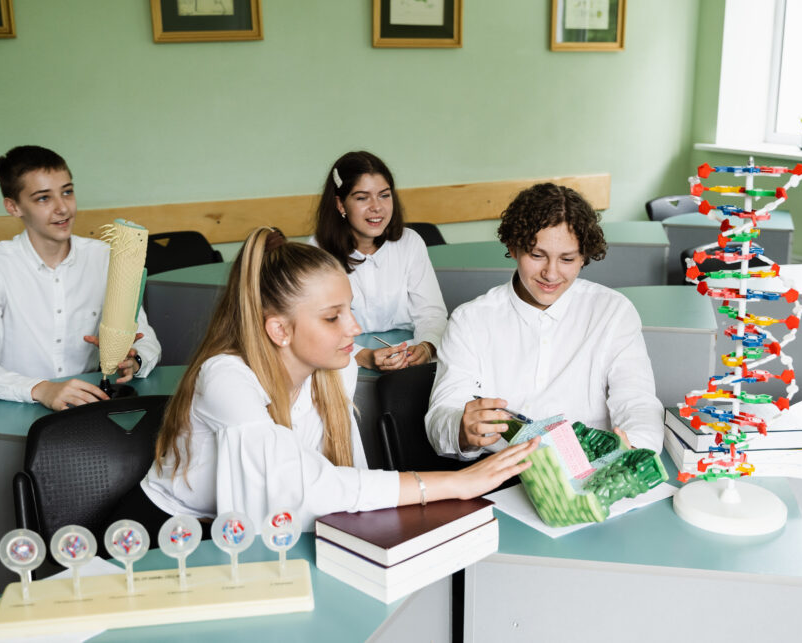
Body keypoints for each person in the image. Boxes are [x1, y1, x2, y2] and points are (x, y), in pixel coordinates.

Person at [118, 228, 536, 538]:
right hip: (167, 537)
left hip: (251, 538)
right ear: (279, 330)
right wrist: (457, 483)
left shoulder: (337, 368)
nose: (355, 327)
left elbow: (347, 475)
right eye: (333, 316)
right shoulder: (225, 377)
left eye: (350, 309)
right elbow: (299, 488)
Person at [425, 183, 664, 460]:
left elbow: (637, 401)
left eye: (567, 259)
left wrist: (635, 450)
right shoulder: (470, 320)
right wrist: (462, 431)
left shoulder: (613, 312)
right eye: (537, 255)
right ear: (513, 248)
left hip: (593, 468)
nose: (551, 274)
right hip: (501, 472)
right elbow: (441, 415)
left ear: (584, 256)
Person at [0, 145, 161, 410]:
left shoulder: (104, 258)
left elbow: (147, 341)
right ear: (13, 207)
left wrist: (135, 360)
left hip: (88, 408)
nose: (62, 208)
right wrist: (42, 390)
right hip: (16, 410)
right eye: (43, 198)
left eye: (67, 192)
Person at [312, 150, 447, 372]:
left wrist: (427, 346)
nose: (377, 207)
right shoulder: (317, 252)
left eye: (384, 195)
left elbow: (432, 313)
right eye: (362, 197)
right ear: (340, 204)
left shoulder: (410, 242)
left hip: (406, 365)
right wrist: (362, 356)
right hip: (341, 367)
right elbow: (314, 329)